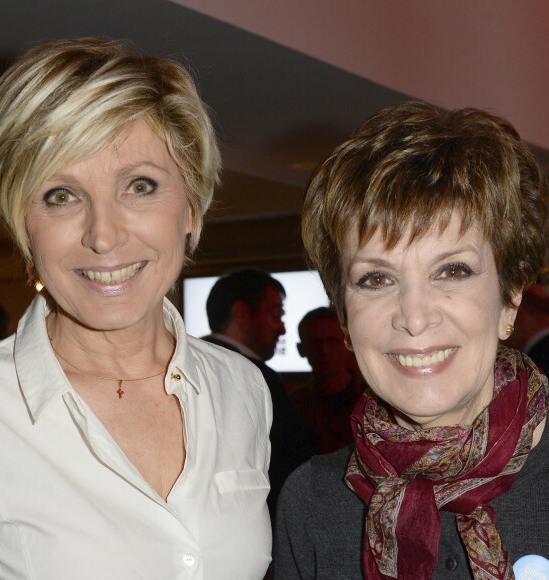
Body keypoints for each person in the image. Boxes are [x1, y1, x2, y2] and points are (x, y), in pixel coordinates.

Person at [0, 38, 272, 579]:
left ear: (190, 204)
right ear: (24, 224)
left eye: (140, 185)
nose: (104, 237)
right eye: (61, 195)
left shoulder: (242, 389)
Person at [274, 101, 549, 579]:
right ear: (344, 315)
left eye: (453, 270)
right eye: (376, 280)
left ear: (509, 299)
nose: (415, 318)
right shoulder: (313, 503)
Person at [204, 268, 320, 520]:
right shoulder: (255, 377)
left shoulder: (181, 363)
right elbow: (292, 460)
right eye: (276, 314)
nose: (282, 329)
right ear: (242, 314)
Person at [292, 306, 366, 453]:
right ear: (301, 349)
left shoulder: (375, 398)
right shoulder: (293, 404)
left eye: (332, 341)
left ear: (349, 345)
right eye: (315, 343)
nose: (324, 350)